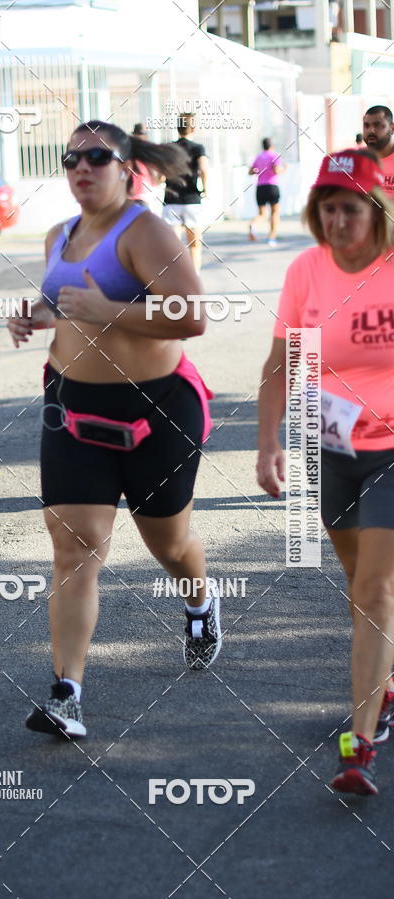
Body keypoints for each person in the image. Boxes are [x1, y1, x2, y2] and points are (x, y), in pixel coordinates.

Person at [7, 120, 219, 739]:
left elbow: (193, 315)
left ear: (125, 168)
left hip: (156, 412)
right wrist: (36, 318)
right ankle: (66, 694)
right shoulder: (59, 235)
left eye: (97, 157)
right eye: (71, 157)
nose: (82, 167)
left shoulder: (148, 230)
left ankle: (200, 601)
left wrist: (110, 312)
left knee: (170, 546)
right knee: (76, 548)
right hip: (73, 408)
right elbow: (66, 302)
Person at [256, 148, 394, 795]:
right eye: (329, 208)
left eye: (352, 208)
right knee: (357, 584)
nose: (339, 220)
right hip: (333, 446)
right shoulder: (307, 271)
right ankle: (386, 682)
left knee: (372, 591)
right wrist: (268, 442)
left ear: (377, 210)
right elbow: (281, 359)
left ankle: (359, 743)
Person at [162, 112, 209, 273]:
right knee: (194, 244)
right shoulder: (198, 148)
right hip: (192, 201)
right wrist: (206, 189)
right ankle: (194, 279)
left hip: (171, 201)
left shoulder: (169, 148)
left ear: (178, 128)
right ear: (193, 128)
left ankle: (176, 280)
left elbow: (161, 174)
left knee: (173, 247)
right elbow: (203, 169)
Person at [248, 137, 287, 247]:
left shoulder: (259, 156)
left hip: (260, 187)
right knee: (274, 212)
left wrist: (258, 170)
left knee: (262, 214)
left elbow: (250, 171)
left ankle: (253, 224)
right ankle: (271, 238)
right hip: (272, 186)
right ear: (272, 146)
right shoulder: (274, 155)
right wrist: (284, 169)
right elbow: (276, 170)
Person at [362, 105, 394, 199]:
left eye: (377, 125)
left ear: (391, 128)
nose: (371, 130)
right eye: (366, 125)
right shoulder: (356, 161)